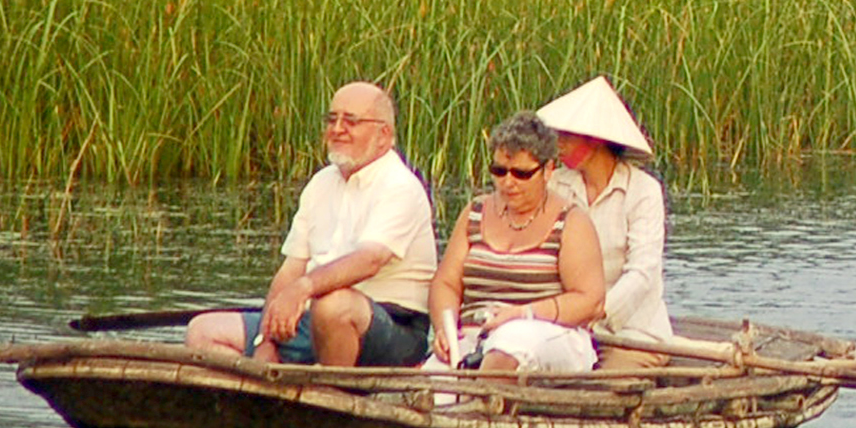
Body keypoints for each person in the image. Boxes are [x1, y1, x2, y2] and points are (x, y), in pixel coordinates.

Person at [184, 81, 438, 368]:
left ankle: (330, 397)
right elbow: (291, 269)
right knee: (202, 332)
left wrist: (304, 288)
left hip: (392, 328)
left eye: (351, 121)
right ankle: (268, 398)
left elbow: (370, 260)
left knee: (333, 306)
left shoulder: (400, 187)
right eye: (332, 119)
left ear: (384, 135)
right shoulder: (321, 184)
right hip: (311, 318)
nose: (337, 129)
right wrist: (265, 340)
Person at [427, 112, 608, 376]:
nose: (508, 182)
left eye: (521, 174)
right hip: (476, 333)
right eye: (499, 171)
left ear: (547, 171)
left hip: (548, 332)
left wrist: (522, 314)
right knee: (430, 385)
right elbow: (446, 282)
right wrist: (445, 326)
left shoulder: (571, 221)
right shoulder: (475, 211)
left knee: (509, 346)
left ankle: (485, 404)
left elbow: (590, 301)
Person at [538, 76, 676, 367]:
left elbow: (642, 272)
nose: (558, 145)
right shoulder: (557, 185)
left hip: (632, 332)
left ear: (596, 140)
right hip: (566, 327)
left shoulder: (642, 190)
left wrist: (597, 312)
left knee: (605, 388)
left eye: (567, 137)